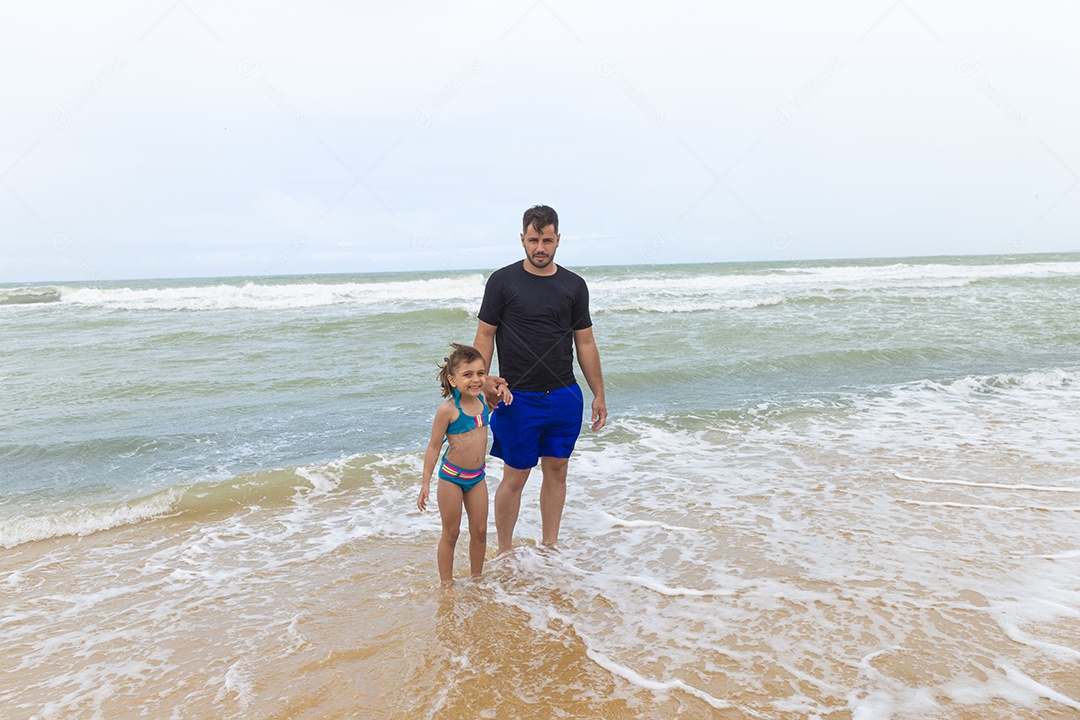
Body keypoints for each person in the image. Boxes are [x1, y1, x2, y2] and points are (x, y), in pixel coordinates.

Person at [473, 205, 606, 555]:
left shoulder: (574, 285)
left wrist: (598, 394)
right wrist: (483, 380)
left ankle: (550, 546)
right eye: (533, 240)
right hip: (517, 399)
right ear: (522, 240)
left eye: (547, 240)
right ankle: (504, 552)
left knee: (558, 471)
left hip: (564, 396)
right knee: (515, 477)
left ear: (558, 239)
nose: (540, 248)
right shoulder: (502, 281)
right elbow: (485, 335)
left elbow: (586, 342)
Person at [417, 343, 510, 585]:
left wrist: (503, 388)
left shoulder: (482, 399)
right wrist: (425, 482)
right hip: (451, 479)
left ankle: (477, 579)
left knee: (479, 532)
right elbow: (434, 447)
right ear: (452, 380)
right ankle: (446, 584)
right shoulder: (448, 411)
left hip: (477, 478)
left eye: (480, 373)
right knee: (451, 533)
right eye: (467, 375)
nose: (476, 379)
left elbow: (499, 384)